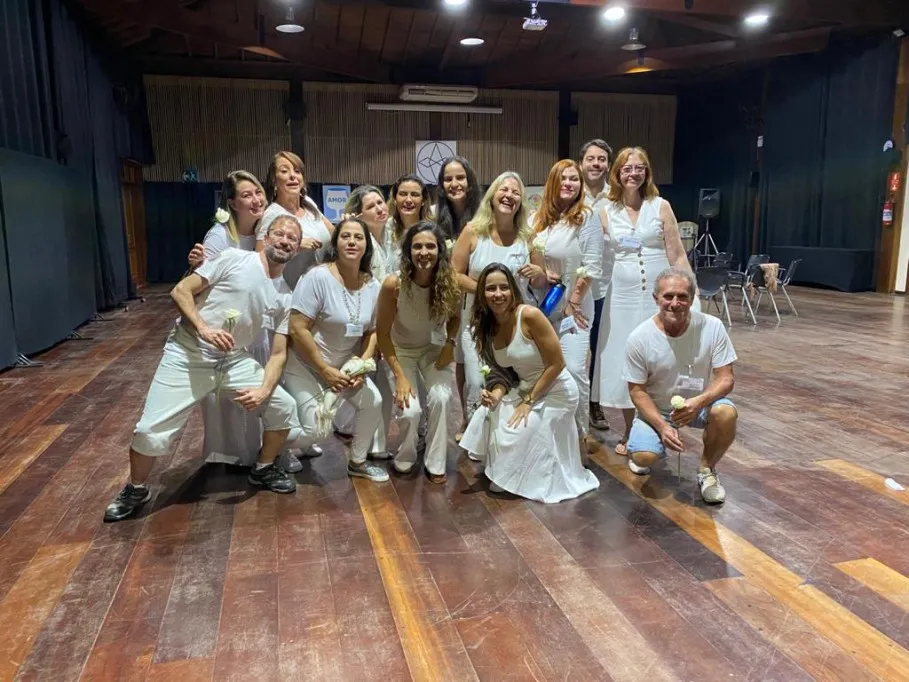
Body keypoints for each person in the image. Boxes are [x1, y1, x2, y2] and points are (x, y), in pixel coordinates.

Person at [103, 216, 304, 522]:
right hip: (188, 353)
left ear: (298, 249)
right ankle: (136, 488)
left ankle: (263, 468)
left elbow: (278, 353)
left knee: (283, 406)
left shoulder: (286, 295)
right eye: (280, 234)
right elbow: (181, 291)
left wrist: (264, 390)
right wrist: (204, 328)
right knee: (149, 431)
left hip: (233, 360)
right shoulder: (234, 259)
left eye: (292, 238)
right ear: (266, 236)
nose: (285, 241)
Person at [460, 264, 599, 503]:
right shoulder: (485, 326)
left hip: (556, 391)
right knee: (489, 413)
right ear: (482, 293)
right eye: (491, 288)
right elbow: (501, 373)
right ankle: (505, 471)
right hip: (524, 387)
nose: (498, 294)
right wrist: (495, 394)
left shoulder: (530, 316)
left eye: (503, 287)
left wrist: (528, 401)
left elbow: (557, 363)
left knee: (518, 430)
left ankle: (515, 473)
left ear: (513, 290)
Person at [593, 146, 697, 457]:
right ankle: (630, 428)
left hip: (658, 294)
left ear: (647, 172)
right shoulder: (605, 211)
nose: (633, 173)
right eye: (627, 168)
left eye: (639, 168)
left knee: (660, 356)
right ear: (617, 173)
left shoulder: (660, 206)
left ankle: (657, 421)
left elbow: (677, 254)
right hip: (621, 296)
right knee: (624, 358)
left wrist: (690, 292)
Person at [284, 218, 388, 482]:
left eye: (358, 237)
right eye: (345, 236)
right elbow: (297, 328)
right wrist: (323, 369)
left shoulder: (373, 285)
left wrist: (361, 367)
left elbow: (372, 331)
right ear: (335, 243)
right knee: (316, 431)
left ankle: (358, 462)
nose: (352, 242)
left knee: (373, 402)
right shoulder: (317, 277)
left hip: (344, 369)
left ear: (366, 246)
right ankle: (273, 448)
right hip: (307, 365)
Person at [623, 267, 736, 504]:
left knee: (725, 412)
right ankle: (649, 442)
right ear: (656, 298)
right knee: (644, 457)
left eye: (682, 296)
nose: (675, 303)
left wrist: (698, 403)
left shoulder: (713, 326)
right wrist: (662, 426)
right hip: (658, 409)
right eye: (668, 296)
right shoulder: (639, 338)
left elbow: (726, 378)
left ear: (692, 299)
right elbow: (637, 391)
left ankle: (707, 470)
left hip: (699, 404)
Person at [451, 171, 546, 435]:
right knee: (476, 379)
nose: (509, 196)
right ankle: (474, 430)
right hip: (477, 320)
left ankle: (503, 430)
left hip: (514, 324)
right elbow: (454, 274)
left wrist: (539, 273)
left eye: (516, 192)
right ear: (492, 196)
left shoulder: (528, 236)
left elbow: (539, 280)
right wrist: (487, 293)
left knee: (509, 378)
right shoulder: (473, 231)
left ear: (521, 201)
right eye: (504, 190)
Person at [376, 221, 461, 483]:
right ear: (408, 251)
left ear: (440, 251)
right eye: (417, 247)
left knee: (441, 399)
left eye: (430, 246)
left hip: (433, 350)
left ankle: (436, 462)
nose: (424, 252)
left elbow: (455, 318)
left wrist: (450, 344)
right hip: (401, 352)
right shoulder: (394, 285)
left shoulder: (450, 282)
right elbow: (382, 334)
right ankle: (406, 455)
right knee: (410, 410)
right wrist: (400, 376)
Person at [532, 159, 604, 447]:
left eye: (574, 179)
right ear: (552, 183)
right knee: (543, 370)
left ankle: (579, 435)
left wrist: (573, 302)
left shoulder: (586, 217)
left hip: (575, 308)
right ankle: (548, 434)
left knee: (573, 369)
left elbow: (593, 265)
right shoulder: (539, 219)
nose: (568, 184)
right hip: (543, 306)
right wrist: (540, 270)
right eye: (563, 178)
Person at [339, 186, 395, 457]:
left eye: (381, 202)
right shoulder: (362, 243)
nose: (380, 209)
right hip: (366, 320)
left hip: (387, 319)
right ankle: (364, 440)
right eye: (371, 206)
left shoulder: (390, 237)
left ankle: (377, 444)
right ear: (359, 215)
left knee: (381, 384)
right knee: (367, 381)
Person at [256, 150, 334, 287]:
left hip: (322, 287)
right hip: (291, 292)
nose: (292, 176)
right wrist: (294, 245)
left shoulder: (309, 203)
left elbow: (333, 232)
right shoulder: (272, 214)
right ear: (274, 180)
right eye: (284, 171)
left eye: (297, 171)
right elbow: (259, 260)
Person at [579, 139, 614, 432]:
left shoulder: (616, 198)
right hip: (573, 286)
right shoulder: (569, 192)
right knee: (572, 347)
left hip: (603, 286)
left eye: (601, 159)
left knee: (598, 349)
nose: (595, 164)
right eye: (591, 159)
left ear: (608, 165)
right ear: (581, 163)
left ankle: (594, 402)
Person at [434, 156, 481, 240]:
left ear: (470, 181)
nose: (454, 184)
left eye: (460, 178)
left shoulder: (485, 213)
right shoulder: (433, 215)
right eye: (448, 179)